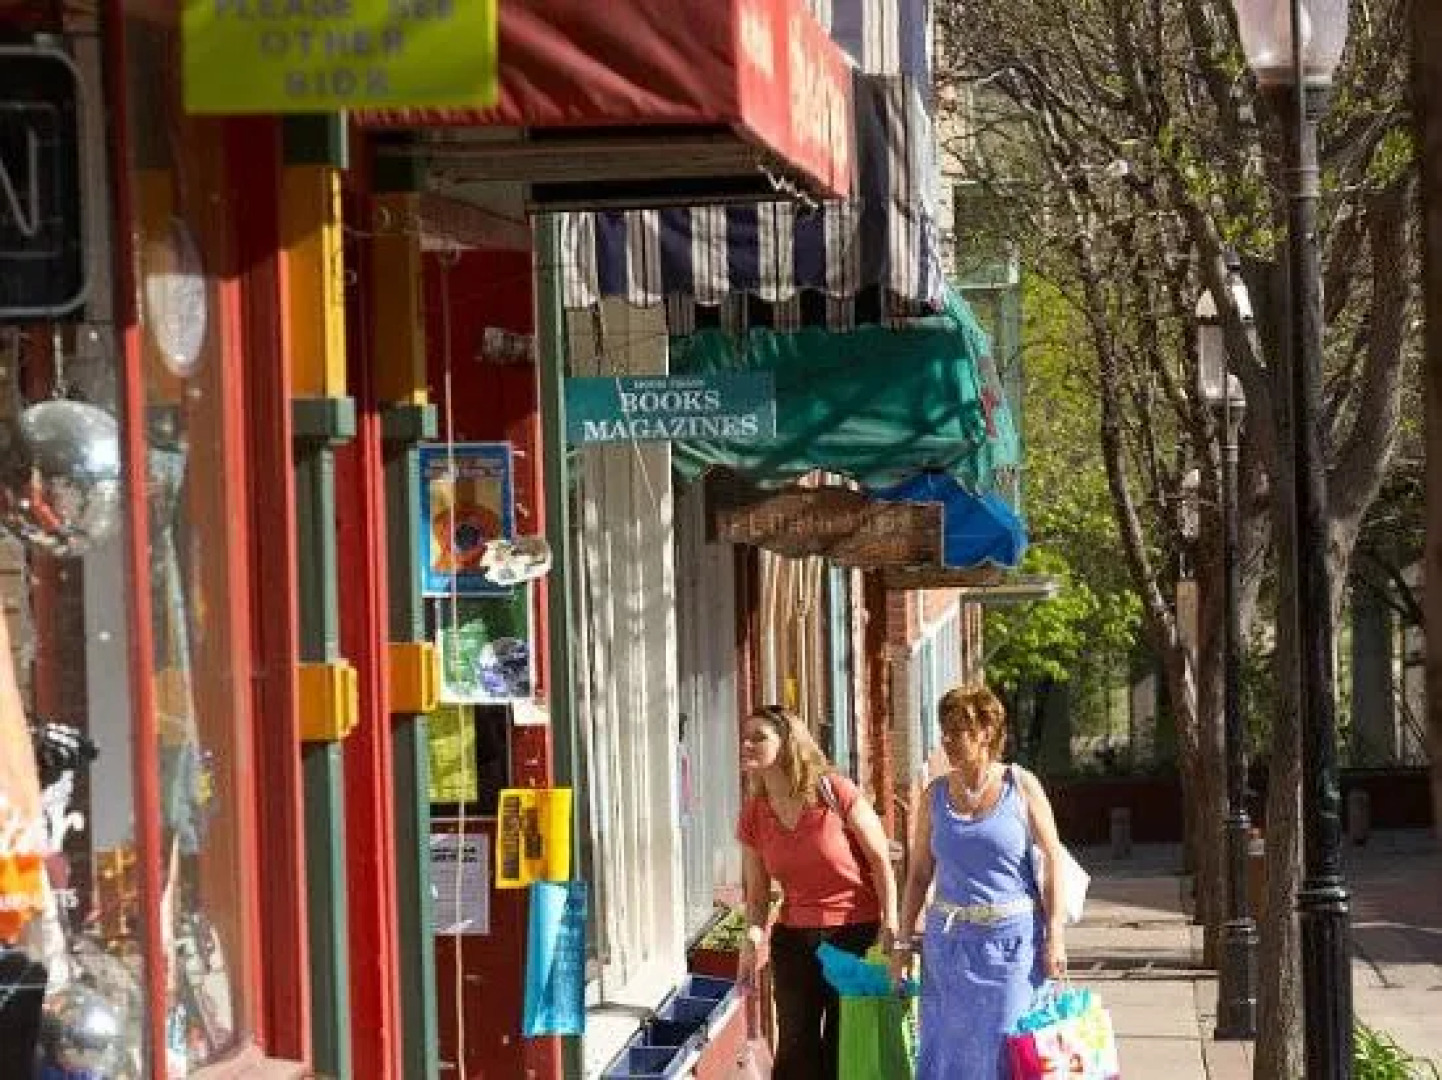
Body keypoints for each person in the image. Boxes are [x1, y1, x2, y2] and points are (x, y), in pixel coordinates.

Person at [890, 685, 1068, 1079]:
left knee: (1007, 1050)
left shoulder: (1020, 786)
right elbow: (918, 875)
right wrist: (902, 943)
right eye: (945, 731)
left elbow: (1053, 860)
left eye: (958, 731)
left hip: (1012, 945)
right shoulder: (935, 794)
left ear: (986, 732)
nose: (947, 741)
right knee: (948, 1053)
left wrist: (1055, 935)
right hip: (948, 947)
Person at [736, 705, 899, 1080]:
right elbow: (758, 896)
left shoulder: (834, 792)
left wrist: (890, 924)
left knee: (847, 1043)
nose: (747, 745)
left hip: (853, 934)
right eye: (745, 737)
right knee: (796, 1047)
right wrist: (751, 940)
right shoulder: (754, 814)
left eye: (758, 737)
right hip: (794, 941)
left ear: (788, 743)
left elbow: (880, 861)